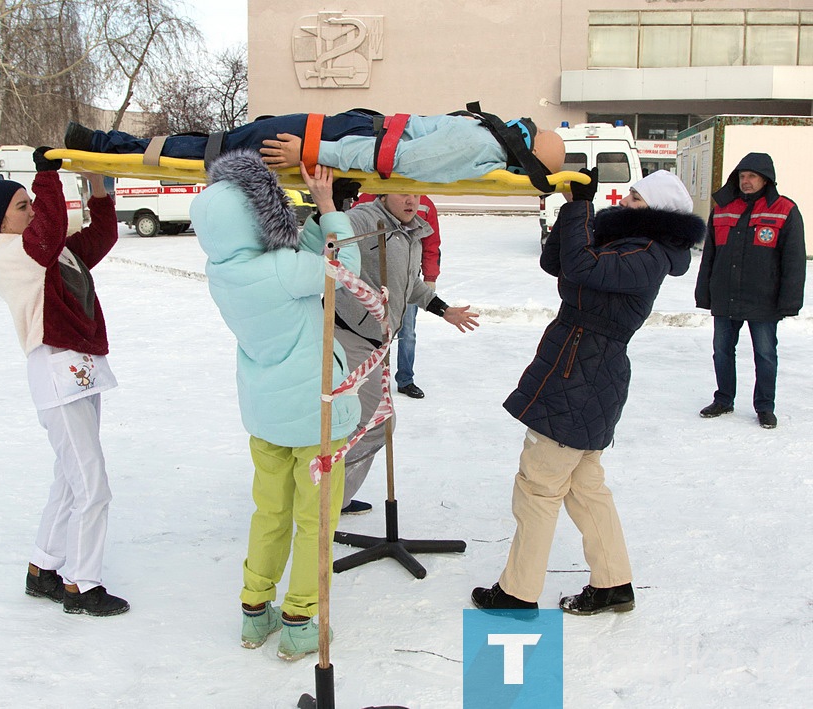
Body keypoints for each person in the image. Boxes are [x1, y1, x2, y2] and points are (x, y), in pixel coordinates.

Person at [471, 169, 705, 615]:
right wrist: (573, 206)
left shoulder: (649, 253)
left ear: (658, 211)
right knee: (583, 487)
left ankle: (517, 594)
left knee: (538, 486)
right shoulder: (627, 243)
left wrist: (582, 208)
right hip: (582, 366)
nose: (627, 201)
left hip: (582, 372)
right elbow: (556, 262)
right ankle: (614, 583)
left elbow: (582, 267)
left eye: (636, 198)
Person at [190, 150, 361, 661]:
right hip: (315, 419)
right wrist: (327, 205)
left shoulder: (222, 270)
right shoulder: (282, 271)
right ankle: (301, 620)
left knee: (269, 514)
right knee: (315, 522)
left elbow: (298, 264)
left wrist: (312, 221)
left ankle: (255, 610)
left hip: (266, 418)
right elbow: (340, 266)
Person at [0, 148, 129, 617]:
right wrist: (46, 177)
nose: (33, 210)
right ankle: (82, 584)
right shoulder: (5, 252)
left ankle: (43, 568)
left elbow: (99, 237)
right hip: (56, 371)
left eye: (31, 202)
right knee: (92, 485)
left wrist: (98, 185)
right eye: (22, 205)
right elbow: (47, 236)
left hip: (79, 368)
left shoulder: (48, 248)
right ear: (0, 219)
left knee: (69, 478)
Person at [335, 193, 478, 515]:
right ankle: (322, 494)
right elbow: (328, 237)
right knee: (375, 422)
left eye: (415, 194)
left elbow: (409, 285)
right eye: (403, 192)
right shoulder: (364, 218)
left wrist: (443, 310)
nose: (412, 200)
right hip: (348, 334)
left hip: (379, 338)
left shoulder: (411, 231)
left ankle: (336, 496)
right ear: (384, 192)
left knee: (365, 422)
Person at [63, 108, 566, 187]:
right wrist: (312, 148)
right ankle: (116, 144)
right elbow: (386, 154)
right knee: (228, 142)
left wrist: (311, 150)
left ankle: (112, 145)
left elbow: (387, 159)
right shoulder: (479, 143)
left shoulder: (478, 141)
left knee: (224, 146)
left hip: (337, 137)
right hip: (339, 134)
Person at [694, 152, 806, 429]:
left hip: (764, 299)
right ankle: (723, 399)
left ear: (766, 179)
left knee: (765, 354)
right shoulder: (722, 208)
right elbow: (709, 255)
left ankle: (765, 407)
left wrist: (789, 301)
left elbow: (794, 260)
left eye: (752, 176)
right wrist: (704, 293)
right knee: (721, 350)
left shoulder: (785, 210)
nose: (746, 181)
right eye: (742, 176)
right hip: (725, 295)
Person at [353, 193, 442, 399]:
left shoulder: (425, 204)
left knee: (407, 332)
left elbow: (431, 244)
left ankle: (405, 380)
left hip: (406, 279)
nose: (411, 199)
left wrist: (430, 276)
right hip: (369, 280)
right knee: (368, 331)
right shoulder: (366, 197)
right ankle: (368, 379)